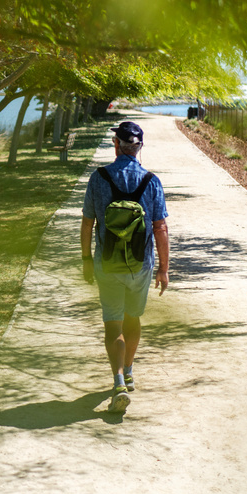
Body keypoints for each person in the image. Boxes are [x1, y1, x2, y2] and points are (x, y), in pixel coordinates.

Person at [80, 120, 170, 414]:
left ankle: (118, 380)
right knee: (133, 318)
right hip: (141, 266)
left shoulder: (99, 178)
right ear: (139, 147)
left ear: (115, 144)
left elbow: (87, 222)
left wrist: (85, 260)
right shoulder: (151, 181)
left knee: (112, 324)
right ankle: (129, 371)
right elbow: (161, 228)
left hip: (107, 265)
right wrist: (163, 269)